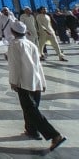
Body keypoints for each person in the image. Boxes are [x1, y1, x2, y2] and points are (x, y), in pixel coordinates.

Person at [6, 21, 66, 151]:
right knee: (30, 108)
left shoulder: (14, 45)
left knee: (31, 110)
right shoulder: (31, 44)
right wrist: (42, 82)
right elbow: (38, 65)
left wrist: (13, 81)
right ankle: (31, 130)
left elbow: (15, 65)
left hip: (23, 81)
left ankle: (55, 135)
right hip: (36, 80)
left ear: (12, 32)